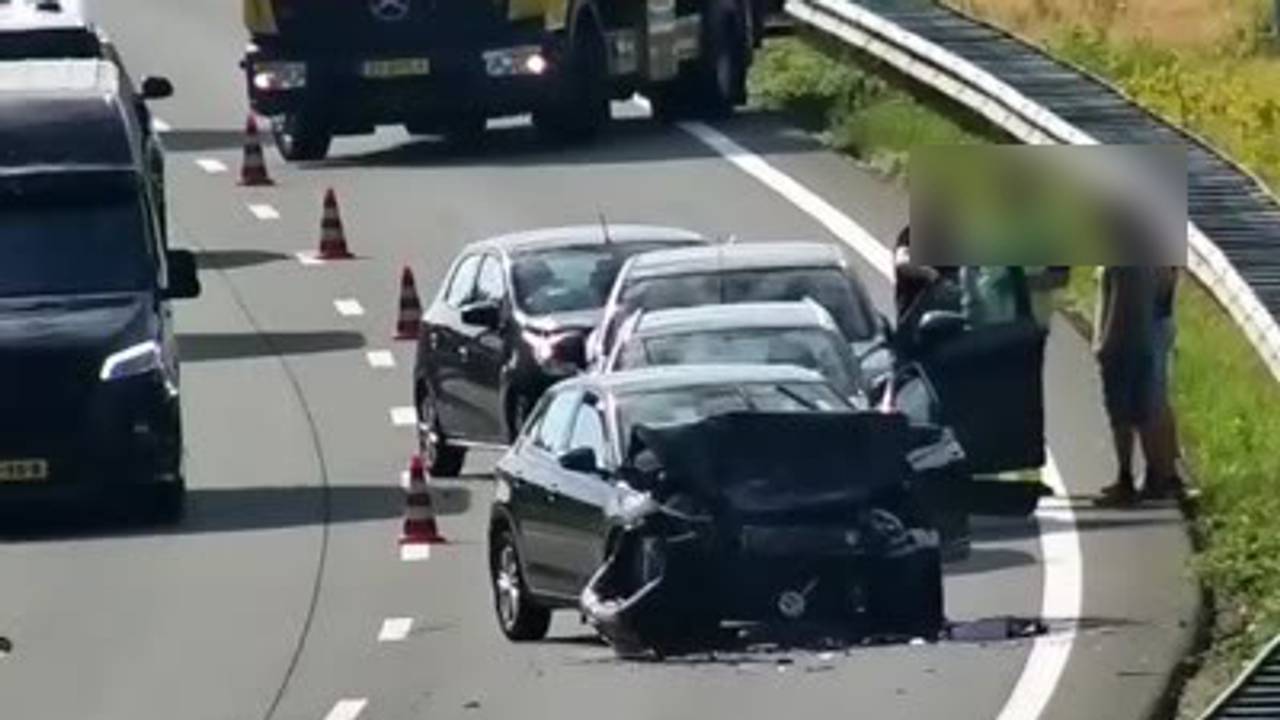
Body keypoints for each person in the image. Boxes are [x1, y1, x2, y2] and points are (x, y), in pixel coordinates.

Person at [1093, 264, 1167, 506]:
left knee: (1121, 415)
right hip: (1144, 341)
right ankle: (1155, 476)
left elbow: (1120, 307)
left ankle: (1125, 480)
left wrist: (1105, 345)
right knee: (1143, 410)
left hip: (1122, 345)